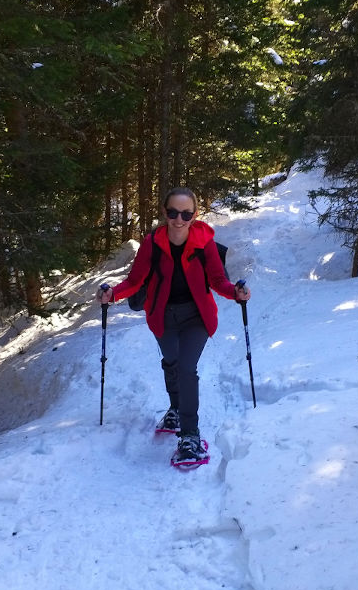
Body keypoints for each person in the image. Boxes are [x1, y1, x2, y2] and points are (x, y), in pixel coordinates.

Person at [97, 187, 251, 466]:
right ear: (164, 213)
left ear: (194, 215)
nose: (179, 219)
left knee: (186, 368)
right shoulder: (152, 244)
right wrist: (113, 295)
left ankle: (190, 434)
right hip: (163, 316)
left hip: (197, 317)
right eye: (173, 213)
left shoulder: (204, 242)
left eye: (186, 213)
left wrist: (235, 293)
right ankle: (176, 408)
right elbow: (135, 281)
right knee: (171, 362)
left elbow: (218, 280)